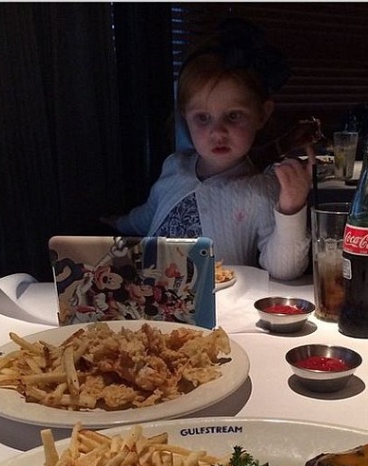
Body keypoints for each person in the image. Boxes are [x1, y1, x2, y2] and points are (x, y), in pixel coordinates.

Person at [101, 19, 314, 281]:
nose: (217, 132)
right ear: (185, 117)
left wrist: (291, 209)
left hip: (218, 304)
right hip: (148, 294)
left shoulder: (263, 190)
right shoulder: (174, 165)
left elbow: (284, 269)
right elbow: (148, 214)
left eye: (233, 116)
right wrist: (118, 223)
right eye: (202, 118)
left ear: (262, 114)